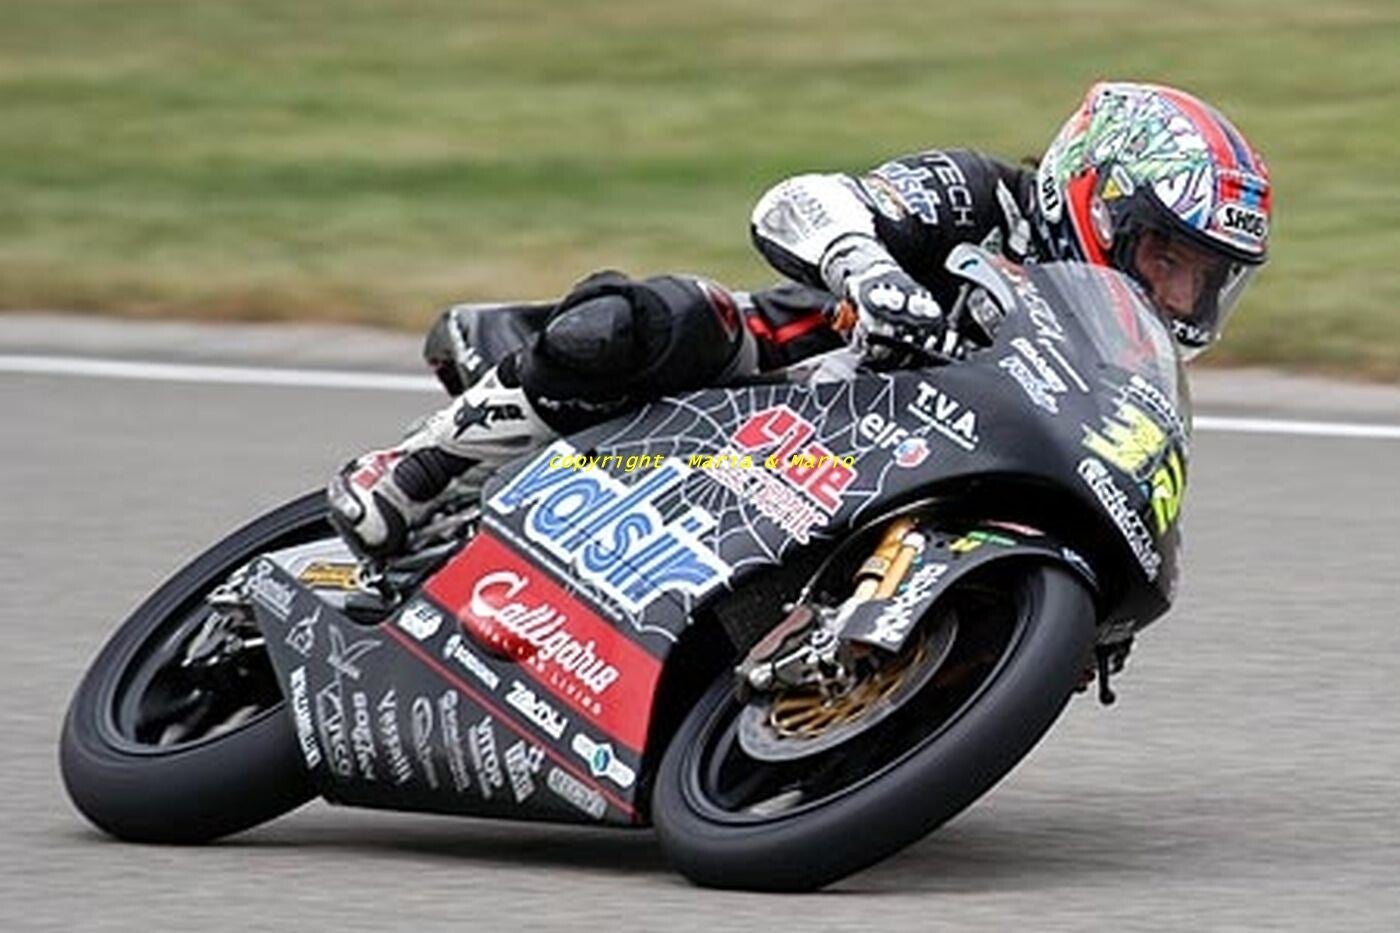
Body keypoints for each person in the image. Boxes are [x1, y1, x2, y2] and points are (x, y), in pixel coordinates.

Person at [327, 81, 1272, 559]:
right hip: (775, 383)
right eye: (1166, 258)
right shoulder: (985, 194)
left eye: (1204, 281)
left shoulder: (1112, 358)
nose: (1177, 297)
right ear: (1097, 195)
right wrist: (870, 269)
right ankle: (417, 467)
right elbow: (802, 199)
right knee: (658, 318)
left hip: (897, 472)